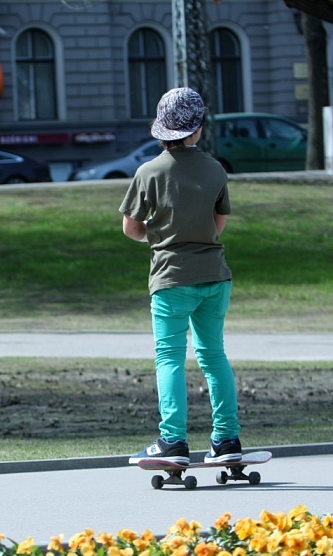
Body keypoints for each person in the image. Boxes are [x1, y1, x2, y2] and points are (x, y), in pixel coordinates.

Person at [120, 87, 242, 466]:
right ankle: (226, 441)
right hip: (215, 276)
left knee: (170, 358)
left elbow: (131, 228)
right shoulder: (215, 168)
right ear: (198, 129)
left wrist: (158, 236)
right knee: (214, 355)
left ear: (161, 131)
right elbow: (219, 224)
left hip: (171, 277)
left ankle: (172, 441)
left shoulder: (148, 172)